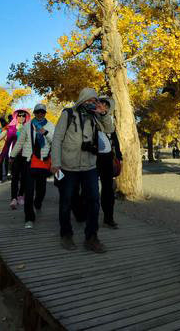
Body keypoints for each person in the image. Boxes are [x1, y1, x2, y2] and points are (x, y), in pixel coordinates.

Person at [51, 87, 109, 253]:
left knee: (94, 201)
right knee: (66, 201)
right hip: (68, 166)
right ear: (82, 100)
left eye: (94, 100)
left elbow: (109, 129)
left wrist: (103, 114)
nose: (92, 103)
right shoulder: (68, 114)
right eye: (89, 100)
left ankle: (92, 237)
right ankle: (66, 234)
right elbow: (57, 139)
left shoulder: (95, 116)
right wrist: (56, 162)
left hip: (89, 165)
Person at [11, 103, 55, 228]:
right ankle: (29, 218)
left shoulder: (50, 125)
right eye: (38, 112)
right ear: (34, 113)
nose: (40, 114)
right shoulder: (27, 125)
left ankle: (38, 202)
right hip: (29, 160)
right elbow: (20, 142)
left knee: (41, 189)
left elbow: (55, 142)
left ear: (45, 113)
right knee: (28, 190)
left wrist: (45, 133)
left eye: (42, 112)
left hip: (43, 160)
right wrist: (12, 156)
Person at [95, 96, 122, 229]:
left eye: (106, 105)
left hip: (107, 158)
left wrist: (119, 156)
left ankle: (108, 218)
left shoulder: (110, 122)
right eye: (101, 104)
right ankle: (83, 214)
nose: (103, 107)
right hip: (92, 157)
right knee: (89, 189)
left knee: (108, 190)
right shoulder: (91, 118)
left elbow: (115, 140)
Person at [3, 109, 31, 208]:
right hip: (15, 156)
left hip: (26, 156)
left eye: (23, 116)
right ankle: (13, 198)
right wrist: (3, 155)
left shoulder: (29, 128)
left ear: (26, 117)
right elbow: (7, 143)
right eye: (19, 116)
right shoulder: (12, 128)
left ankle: (20, 195)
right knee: (15, 177)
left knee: (24, 177)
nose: (21, 118)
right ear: (16, 117)